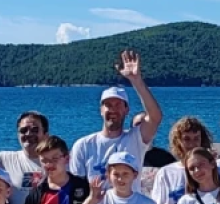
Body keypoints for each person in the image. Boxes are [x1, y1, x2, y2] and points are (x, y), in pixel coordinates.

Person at [68, 51, 163, 185]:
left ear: (126, 110)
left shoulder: (135, 140)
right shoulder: (83, 145)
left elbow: (155, 117)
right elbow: (76, 187)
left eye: (118, 105)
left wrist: (136, 81)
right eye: (108, 105)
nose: (113, 109)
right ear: (101, 110)